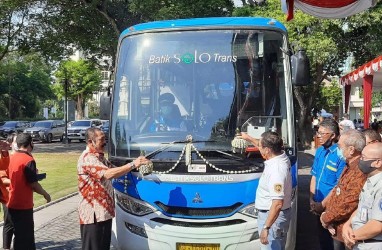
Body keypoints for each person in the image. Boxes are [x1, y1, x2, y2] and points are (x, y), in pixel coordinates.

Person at [78, 127, 150, 250]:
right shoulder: (88, 158)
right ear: (90, 142)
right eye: (101, 139)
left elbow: (116, 170)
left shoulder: (100, 157)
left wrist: (137, 166)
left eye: (105, 138)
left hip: (104, 213)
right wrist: (133, 164)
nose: (105, 142)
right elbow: (108, 173)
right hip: (93, 216)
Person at [241, 131, 292, 250]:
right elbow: (261, 145)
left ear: (268, 150)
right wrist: (248, 138)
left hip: (272, 217)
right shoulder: (280, 156)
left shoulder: (276, 171)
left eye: (261, 147)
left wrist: (266, 228)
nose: (259, 149)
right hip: (272, 216)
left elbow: (277, 203)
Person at [319, 129, 367, 250]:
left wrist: (326, 217)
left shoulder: (359, 170)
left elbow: (348, 203)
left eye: (340, 146)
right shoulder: (348, 165)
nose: (337, 150)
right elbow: (338, 191)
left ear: (351, 150)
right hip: (337, 229)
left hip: (348, 232)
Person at [7, 133, 51, 250]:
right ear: (30, 143)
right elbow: (33, 184)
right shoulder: (28, 159)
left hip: (12, 202)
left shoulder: (13, 157)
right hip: (23, 204)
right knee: (26, 239)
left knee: (19, 236)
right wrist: (46, 194)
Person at [310, 119, 347, 250]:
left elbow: (339, 186)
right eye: (317, 132)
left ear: (332, 135)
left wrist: (323, 205)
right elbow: (314, 175)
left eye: (322, 133)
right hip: (318, 206)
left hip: (332, 209)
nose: (318, 136)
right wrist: (312, 199)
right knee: (323, 243)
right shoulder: (320, 151)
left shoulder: (340, 155)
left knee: (335, 245)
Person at [342, 142, 382, 249]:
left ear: (378, 163)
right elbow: (362, 208)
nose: (360, 160)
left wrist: (351, 236)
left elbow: (377, 225)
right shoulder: (370, 180)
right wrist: (347, 225)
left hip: (371, 244)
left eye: (363, 158)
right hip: (360, 243)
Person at [1, 133, 17, 250]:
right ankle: (6, 247)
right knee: (9, 223)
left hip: (19, 195)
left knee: (19, 224)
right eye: (16, 141)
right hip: (7, 196)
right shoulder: (6, 157)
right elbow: (2, 177)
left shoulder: (22, 156)